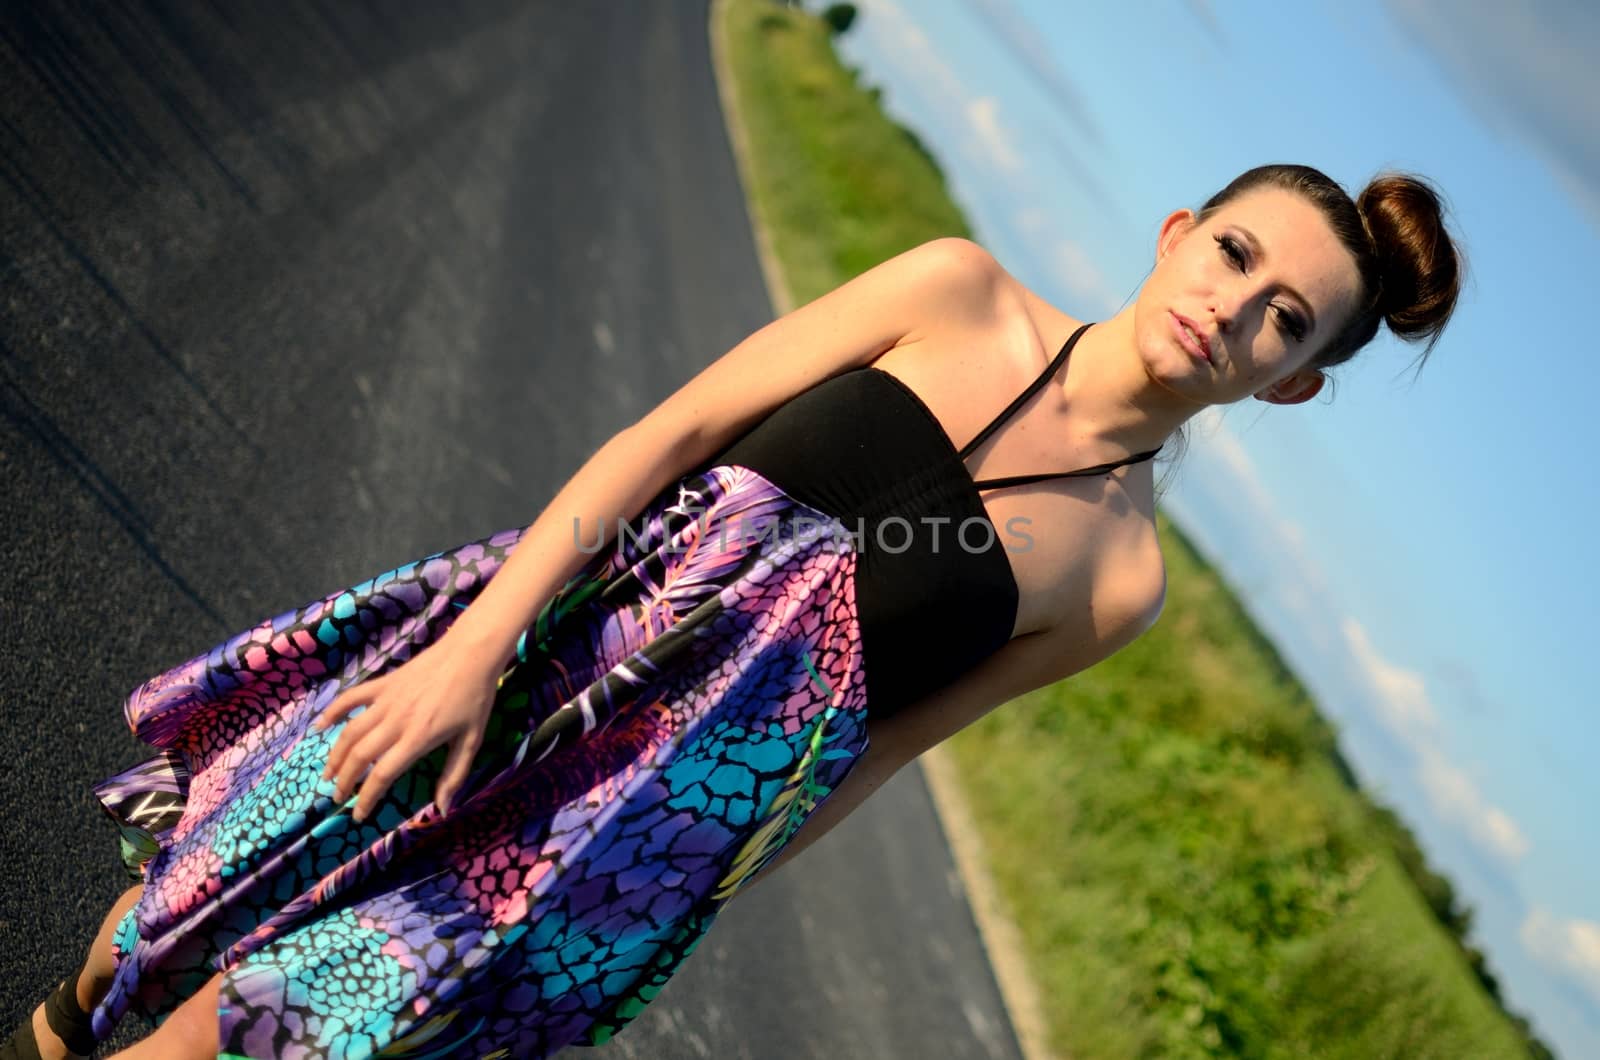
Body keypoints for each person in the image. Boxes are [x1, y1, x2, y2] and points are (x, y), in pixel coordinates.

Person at [5, 162, 1461, 1060]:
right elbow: (670, 434)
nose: (1240, 303)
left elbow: (883, 747)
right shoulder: (952, 289)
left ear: (1295, 382)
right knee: (202, 893)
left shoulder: (1123, 580)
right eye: (1238, 254)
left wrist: (668, 907)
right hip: (524, 658)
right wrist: (472, 648)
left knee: (259, 1030)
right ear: (1179, 228)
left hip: (613, 843)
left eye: (1288, 318)